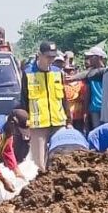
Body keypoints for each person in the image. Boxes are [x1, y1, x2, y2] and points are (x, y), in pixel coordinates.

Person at [19, 41, 71, 173]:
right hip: (38, 125)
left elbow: (64, 98)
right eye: (48, 57)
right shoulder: (28, 73)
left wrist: (68, 121)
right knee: (38, 164)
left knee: (61, 158)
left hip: (58, 121)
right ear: (39, 55)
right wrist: (25, 125)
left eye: (53, 57)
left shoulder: (58, 72)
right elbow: (23, 100)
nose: (51, 60)